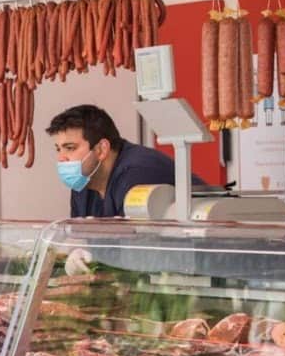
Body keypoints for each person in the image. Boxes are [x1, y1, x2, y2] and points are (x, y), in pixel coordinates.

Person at [47, 104, 206, 275]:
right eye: (58, 149)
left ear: (101, 149)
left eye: (70, 148)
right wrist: (77, 252)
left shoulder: (138, 173)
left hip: (199, 272)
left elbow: (137, 253)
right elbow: (81, 236)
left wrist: (94, 256)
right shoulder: (83, 182)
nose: (61, 158)